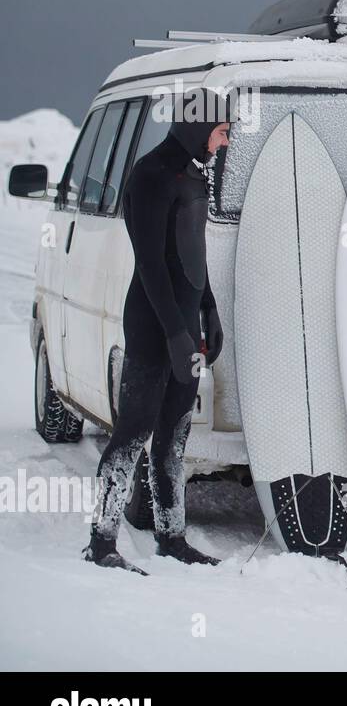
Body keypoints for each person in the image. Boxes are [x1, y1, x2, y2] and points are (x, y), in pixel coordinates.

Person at [83, 109, 230, 574]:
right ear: (198, 125)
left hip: (185, 324)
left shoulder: (195, 177)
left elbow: (193, 255)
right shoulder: (149, 176)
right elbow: (150, 264)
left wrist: (209, 311)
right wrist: (172, 332)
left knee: (174, 437)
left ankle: (172, 536)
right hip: (152, 325)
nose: (224, 142)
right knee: (132, 434)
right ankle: (102, 540)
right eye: (221, 131)